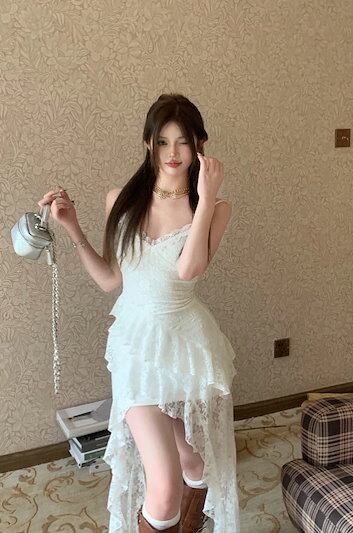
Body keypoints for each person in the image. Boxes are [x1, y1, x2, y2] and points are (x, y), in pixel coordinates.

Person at [38, 93, 240, 533]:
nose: (172, 152)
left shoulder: (216, 208)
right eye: (163, 141)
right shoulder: (122, 199)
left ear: (200, 144)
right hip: (137, 348)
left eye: (183, 142)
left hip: (187, 348)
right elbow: (111, 280)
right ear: (148, 143)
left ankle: (191, 525)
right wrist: (72, 227)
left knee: (195, 461)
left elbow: (189, 270)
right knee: (163, 486)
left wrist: (206, 198)